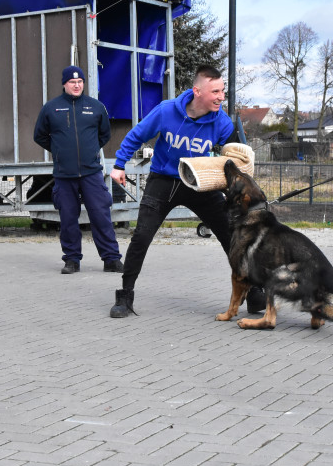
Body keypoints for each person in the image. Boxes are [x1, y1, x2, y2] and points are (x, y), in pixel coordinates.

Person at [107, 65, 262, 317]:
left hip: (200, 183)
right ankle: (125, 297)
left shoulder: (221, 122)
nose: (221, 96)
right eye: (215, 91)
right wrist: (118, 165)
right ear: (197, 91)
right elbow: (137, 135)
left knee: (232, 236)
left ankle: (254, 293)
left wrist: (238, 190)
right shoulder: (167, 111)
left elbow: (236, 159)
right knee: (141, 237)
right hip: (164, 182)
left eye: (222, 90)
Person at [34, 65, 123, 274]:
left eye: (80, 82)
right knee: (68, 219)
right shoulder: (51, 108)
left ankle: (111, 259)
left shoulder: (96, 107)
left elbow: (104, 135)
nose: (77, 85)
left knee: (101, 216)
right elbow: (39, 136)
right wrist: (58, 151)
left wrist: (89, 150)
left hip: (91, 173)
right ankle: (72, 260)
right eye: (72, 82)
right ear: (64, 84)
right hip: (64, 175)